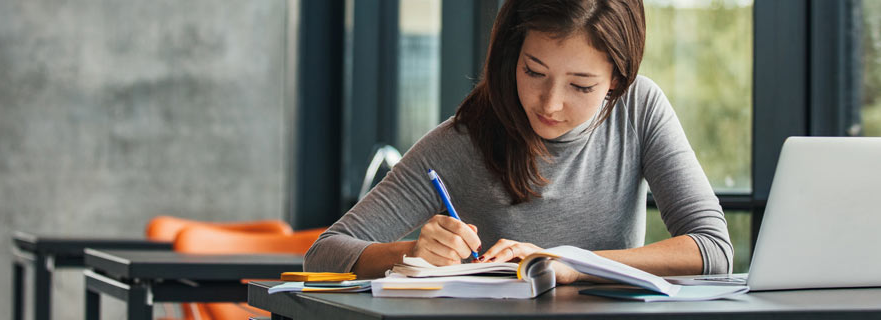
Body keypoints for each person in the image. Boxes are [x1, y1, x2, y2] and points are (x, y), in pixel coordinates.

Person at [305, 0, 733, 284]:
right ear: (512, 55)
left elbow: (712, 248)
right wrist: (412, 253)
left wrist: (571, 264)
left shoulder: (639, 109)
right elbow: (323, 255)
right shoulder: (462, 141)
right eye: (533, 72)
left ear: (617, 81)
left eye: (581, 86)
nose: (551, 103)